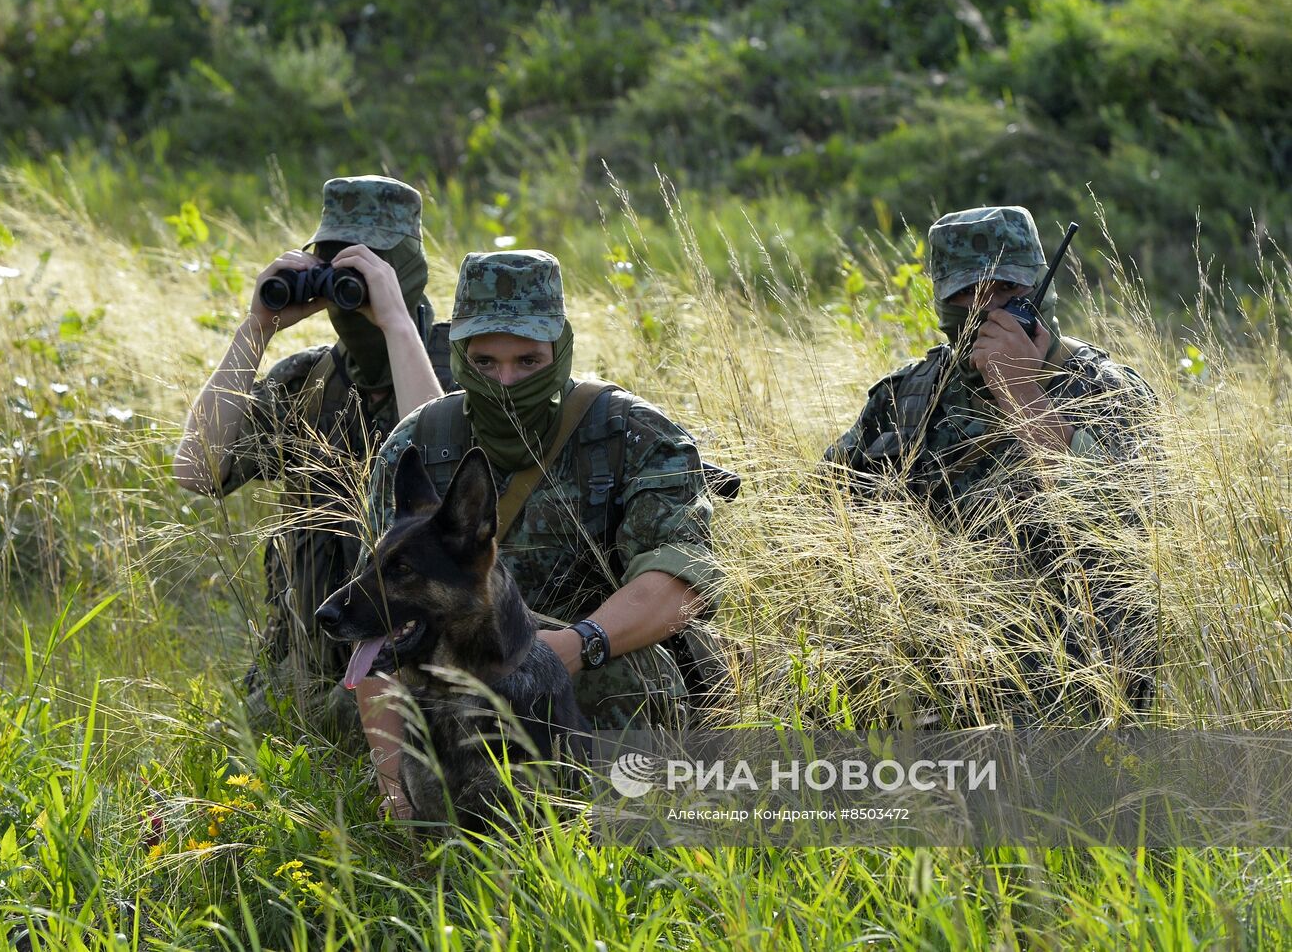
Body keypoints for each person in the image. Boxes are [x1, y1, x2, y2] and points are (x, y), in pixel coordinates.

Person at [347, 249, 727, 818]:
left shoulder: (633, 434)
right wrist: (392, 784)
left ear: (560, 351)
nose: (505, 380)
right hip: (464, 677)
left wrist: (576, 647)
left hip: (602, 664)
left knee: (626, 689)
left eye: (528, 361)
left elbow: (680, 579)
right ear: (458, 355)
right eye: (484, 361)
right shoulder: (416, 444)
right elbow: (379, 624)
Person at [820, 205, 1159, 720]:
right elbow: (828, 512)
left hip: (1070, 671)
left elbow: (1125, 522)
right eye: (967, 294)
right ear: (941, 299)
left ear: (1036, 289)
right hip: (929, 656)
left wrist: (1020, 390)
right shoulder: (906, 394)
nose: (986, 307)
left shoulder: (1103, 389)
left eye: (1005, 291)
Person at [173, 176, 451, 739]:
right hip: (301, 673)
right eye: (336, 263)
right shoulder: (309, 381)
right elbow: (196, 471)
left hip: (422, 678)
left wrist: (396, 321)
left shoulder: (462, 370)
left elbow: (444, 482)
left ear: (406, 273)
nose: (355, 284)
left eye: (371, 266)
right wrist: (257, 328)